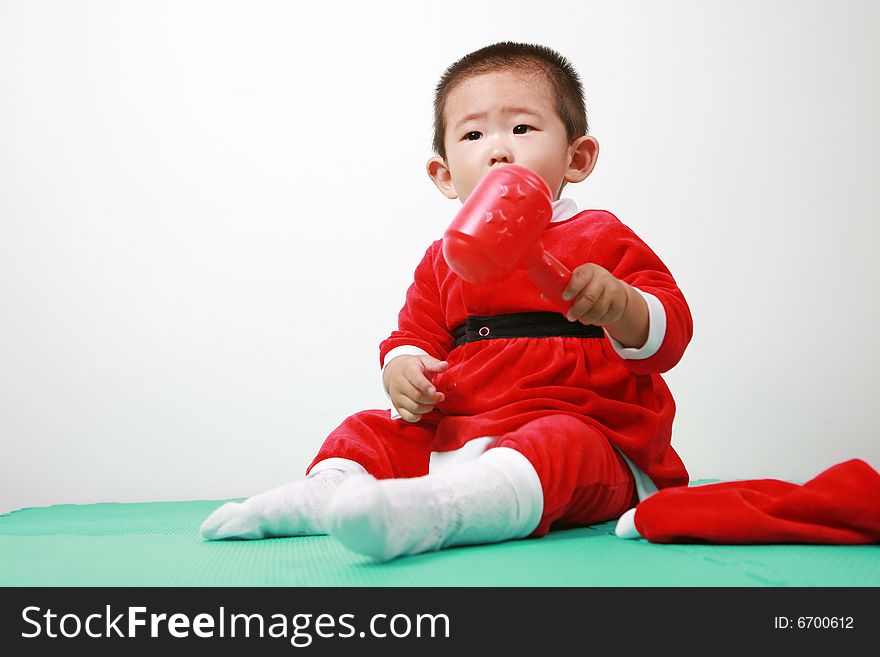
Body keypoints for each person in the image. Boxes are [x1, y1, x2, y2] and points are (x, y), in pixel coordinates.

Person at [200, 41, 693, 561]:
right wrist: (404, 371)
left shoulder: (600, 236)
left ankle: (440, 510)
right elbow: (413, 335)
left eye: (522, 128)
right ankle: (328, 497)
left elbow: (670, 332)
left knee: (562, 446)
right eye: (474, 134)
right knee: (368, 429)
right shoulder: (444, 258)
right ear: (444, 175)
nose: (499, 149)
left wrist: (624, 307)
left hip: (587, 426)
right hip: (464, 425)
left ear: (577, 157)